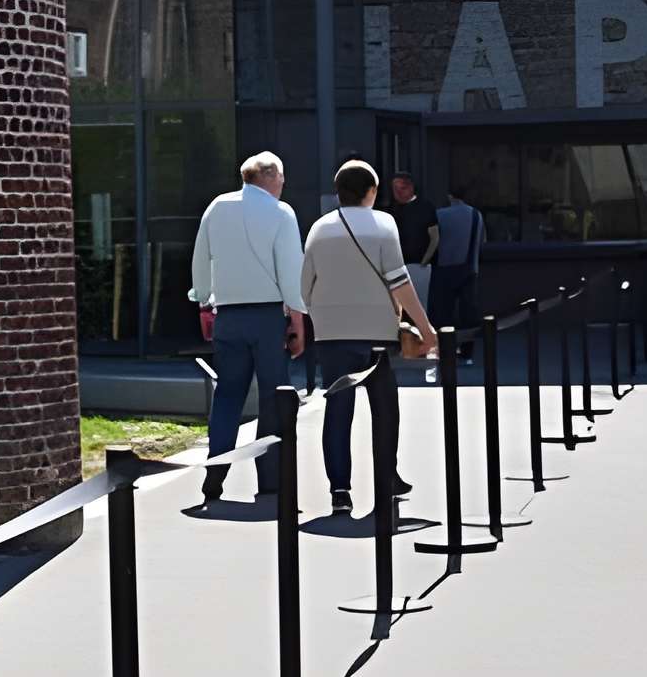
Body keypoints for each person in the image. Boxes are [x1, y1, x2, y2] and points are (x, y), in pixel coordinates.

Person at [301, 158, 438, 520]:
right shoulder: (384, 224)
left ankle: (340, 491)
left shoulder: (318, 229)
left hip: (331, 334)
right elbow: (400, 282)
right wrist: (425, 329)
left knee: (337, 410)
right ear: (372, 191)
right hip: (376, 333)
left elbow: (304, 288)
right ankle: (385, 479)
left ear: (338, 191)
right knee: (384, 408)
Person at [187, 152, 308, 504]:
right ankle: (269, 480)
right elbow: (290, 270)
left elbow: (201, 258)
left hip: (228, 315)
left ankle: (216, 471)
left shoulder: (216, 207)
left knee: (227, 396)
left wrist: (204, 299)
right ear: (271, 177)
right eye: (282, 177)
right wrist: (297, 319)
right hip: (268, 317)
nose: (283, 184)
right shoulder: (281, 213)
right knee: (273, 398)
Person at [429, 178, 485, 338]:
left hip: (443, 268)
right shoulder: (476, 215)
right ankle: (467, 352)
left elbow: (432, 240)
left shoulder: (439, 215)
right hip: (469, 268)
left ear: (450, 196)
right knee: (468, 312)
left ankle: (445, 347)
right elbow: (481, 242)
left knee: (443, 312)